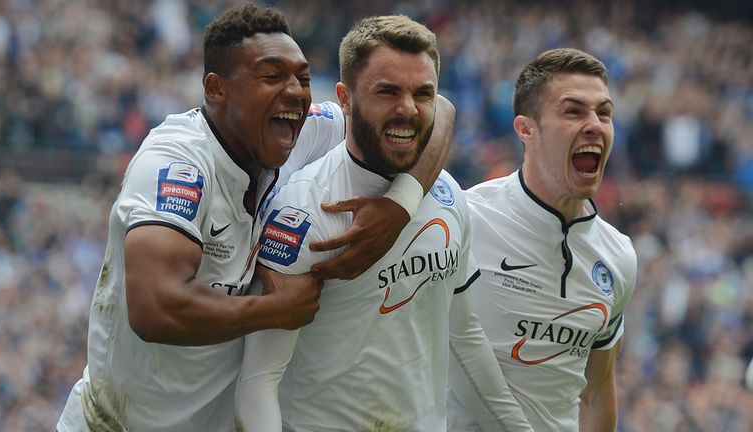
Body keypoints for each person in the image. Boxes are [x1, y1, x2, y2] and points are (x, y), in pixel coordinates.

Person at [55, 4, 452, 431]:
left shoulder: (301, 129)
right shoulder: (176, 164)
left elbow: (439, 111)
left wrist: (399, 207)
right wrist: (274, 310)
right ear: (216, 88)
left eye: (301, 77)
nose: (296, 93)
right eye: (271, 76)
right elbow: (155, 307)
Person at [234, 15, 533, 432]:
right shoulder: (300, 214)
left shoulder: (447, 195)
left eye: (422, 93)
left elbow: (462, 336)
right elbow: (258, 379)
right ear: (346, 98)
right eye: (387, 92)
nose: (408, 109)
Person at [447, 48, 638, 432]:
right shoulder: (467, 218)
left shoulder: (618, 256)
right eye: (573, 111)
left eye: (604, 113)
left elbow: (596, 391)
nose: (594, 125)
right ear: (525, 128)